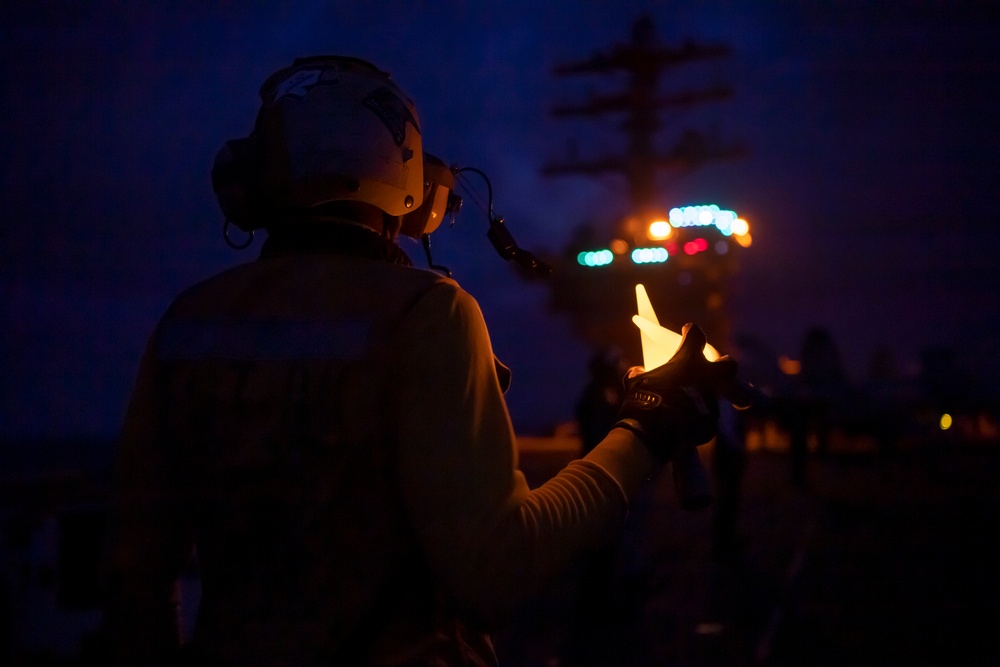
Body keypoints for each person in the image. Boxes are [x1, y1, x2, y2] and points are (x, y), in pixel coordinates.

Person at [102, 55, 742, 666]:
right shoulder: (427, 313)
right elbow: (497, 572)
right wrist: (644, 428)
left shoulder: (188, 324)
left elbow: (136, 578)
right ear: (419, 190)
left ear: (249, 183)